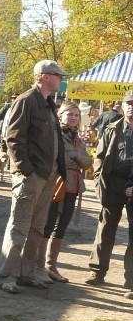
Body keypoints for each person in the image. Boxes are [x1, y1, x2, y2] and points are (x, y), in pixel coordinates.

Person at [0, 60, 66, 294]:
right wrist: (27, 171)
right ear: (45, 76)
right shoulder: (26, 101)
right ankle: (6, 276)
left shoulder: (48, 104)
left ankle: (27, 273)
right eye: (58, 75)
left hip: (47, 176)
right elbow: (14, 138)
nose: (61, 79)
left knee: (37, 228)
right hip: (31, 176)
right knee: (19, 228)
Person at [85, 90, 133, 290]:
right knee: (105, 229)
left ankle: (131, 279)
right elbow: (100, 157)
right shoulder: (112, 128)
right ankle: (97, 270)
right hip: (112, 184)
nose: (131, 107)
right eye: (129, 103)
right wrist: (98, 183)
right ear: (122, 107)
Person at [39, 102, 92, 283]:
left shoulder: (78, 138)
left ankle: (51, 265)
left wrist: (76, 157)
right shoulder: (55, 134)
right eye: (69, 114)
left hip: (73, 185)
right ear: (61, 115)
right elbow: (57, 158)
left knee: (62, 226)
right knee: (48, 223)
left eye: (76, 115)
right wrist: (76, 159)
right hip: (56, 183)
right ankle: (39, 266)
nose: (73, 118)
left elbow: (88, 162)